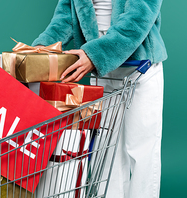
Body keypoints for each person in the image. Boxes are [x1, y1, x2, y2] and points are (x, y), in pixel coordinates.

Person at [32, 0, 167, 198]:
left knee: (141, 152)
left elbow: (139, 18)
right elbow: (66, 17)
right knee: (105, 153)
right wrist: (40, 49)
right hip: (100, 70)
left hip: (139, 69)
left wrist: (95, 54)